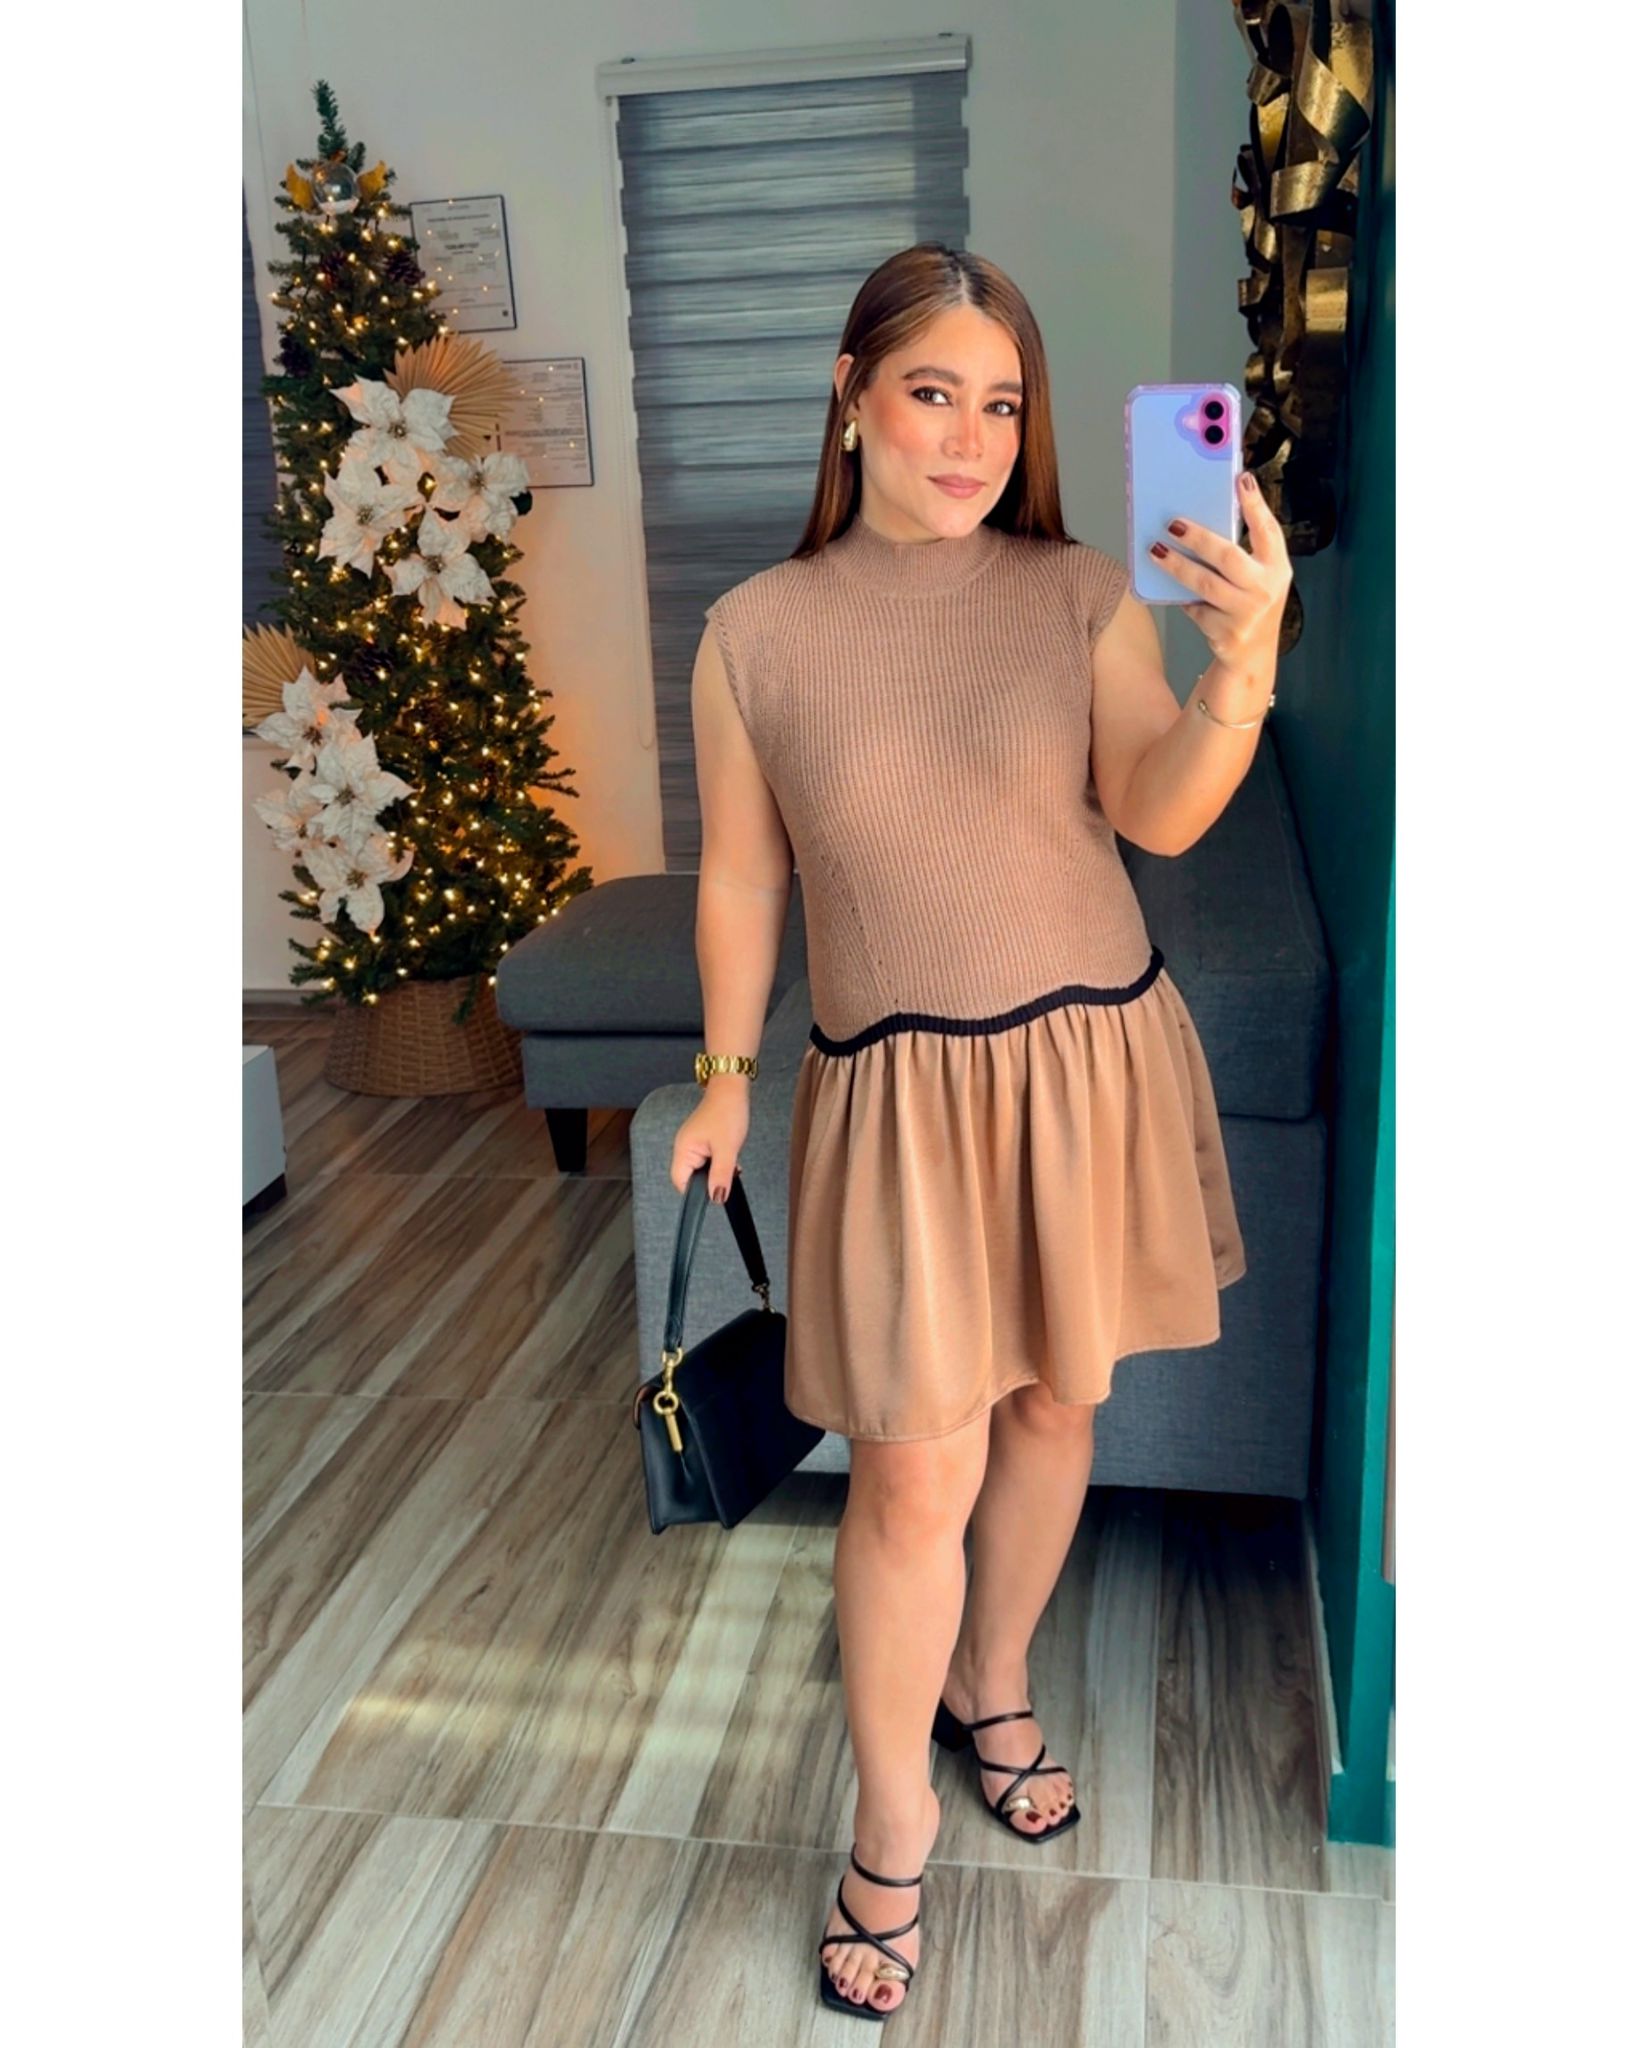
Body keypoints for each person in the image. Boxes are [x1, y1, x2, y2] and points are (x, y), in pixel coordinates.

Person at [671, 242, 1291, 2021]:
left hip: (1089, 1064)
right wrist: (724, 1071)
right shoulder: (753, 634)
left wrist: (1240, 667)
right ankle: (889, 1823)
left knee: (1056, 1406)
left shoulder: (1076, 591)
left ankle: (990, 1679)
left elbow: (1155, 811)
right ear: (851, 395)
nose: (966, 438)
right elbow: (740, 877)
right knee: (907, 1472)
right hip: (897, 1095)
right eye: (931, 392)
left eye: (1000, 403)